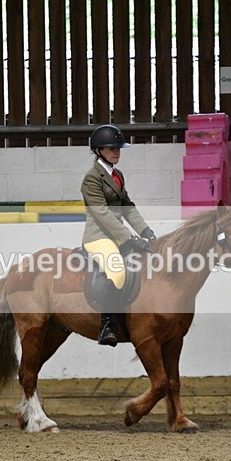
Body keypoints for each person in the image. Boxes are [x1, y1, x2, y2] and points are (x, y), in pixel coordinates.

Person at [81, 124, 156, 346]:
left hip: (116, 236)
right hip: (98, 237)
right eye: (112, 148)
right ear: (98, 151)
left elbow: (127, 206)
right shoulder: (91, 178)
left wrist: (145, 231)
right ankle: (106, 327)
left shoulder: (117, 175)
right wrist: (129, 238)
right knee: (117, 272)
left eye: (118, 148)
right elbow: (102, 213)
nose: (117, 152)